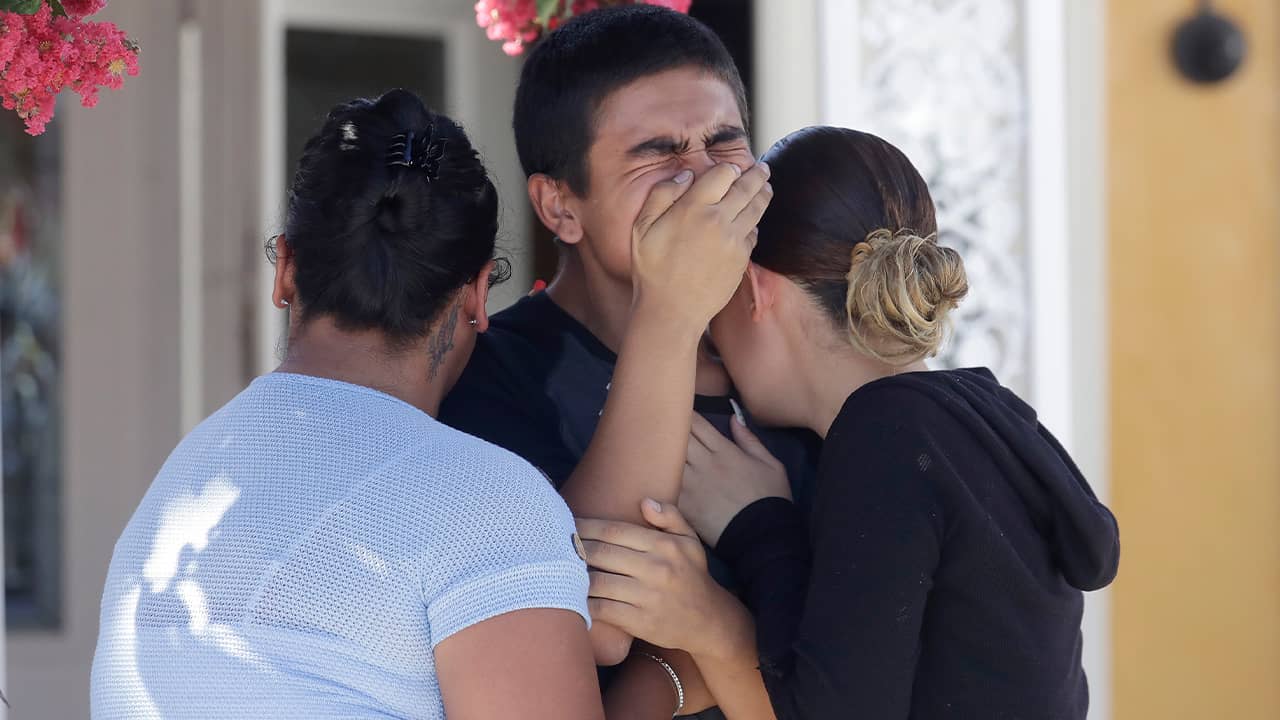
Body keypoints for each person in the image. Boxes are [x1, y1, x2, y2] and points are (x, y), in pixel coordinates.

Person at [92, 90, 615, 719]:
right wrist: (678, 677)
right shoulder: (486, 503)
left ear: (285, 269)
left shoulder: (181, 485)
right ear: (477, 294)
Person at [577, 126, 1122, 719]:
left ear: (754, 289)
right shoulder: (976, 415)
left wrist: (726, 586)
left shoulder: (886, 433)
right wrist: (768, 529)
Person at [439, 6, 818, 718]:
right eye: (658, 153)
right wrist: (670, 311)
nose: (704, 178)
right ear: (560, 208)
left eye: (725, 143)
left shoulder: (788, 360)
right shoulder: (492, 377)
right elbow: (575, 620)